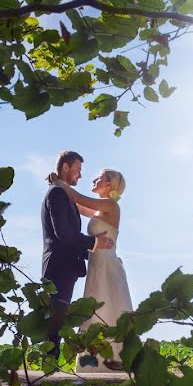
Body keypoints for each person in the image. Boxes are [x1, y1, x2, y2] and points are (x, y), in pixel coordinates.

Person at [47, 168, 133, 373]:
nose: (93, 180)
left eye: (99, 178)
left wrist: (59, 182)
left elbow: (76, 197)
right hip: (97, 263)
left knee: (108, 307)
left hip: (106, 265)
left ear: (109, 184)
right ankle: (96, 362)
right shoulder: (99, 208)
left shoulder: (110, 205)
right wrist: (55, 188)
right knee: (95, 308)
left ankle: (114, 361)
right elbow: (74, 204)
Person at [41, 151, 113, 360]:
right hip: (58, 267)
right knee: (54, 322)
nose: (80, 175)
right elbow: (64, 234)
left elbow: (85, 209)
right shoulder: (57, 194)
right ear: (65, 167)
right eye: (78, 170)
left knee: (58, 321)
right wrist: (94, 243)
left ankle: (50, 368)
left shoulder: (65, 195)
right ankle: (48, 371)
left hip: (66, 267)